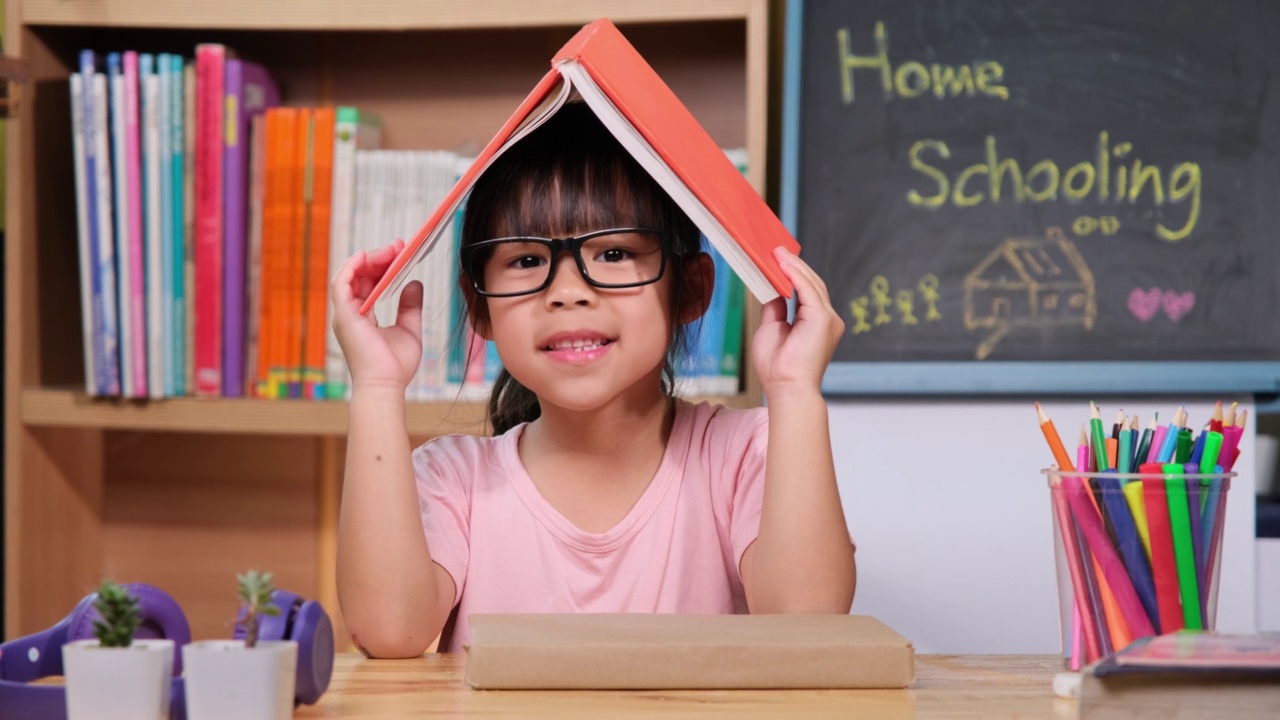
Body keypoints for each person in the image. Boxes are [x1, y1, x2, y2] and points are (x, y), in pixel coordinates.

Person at [331, 103, 855, 657]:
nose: (567, 290)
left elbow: (809, 625)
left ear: (692, 289)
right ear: (478, 308)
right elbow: (389, 632)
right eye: (527, 261)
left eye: (612, 252)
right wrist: (377, 388)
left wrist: (796, 391)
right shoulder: (453, 480)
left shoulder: (745, 456)